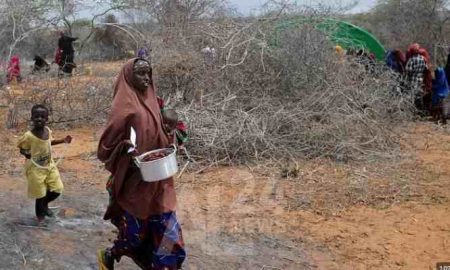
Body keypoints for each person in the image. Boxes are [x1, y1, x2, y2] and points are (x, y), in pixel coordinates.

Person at [97, 58, 186, 270]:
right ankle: (109, 255)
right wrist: (125, 150)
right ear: (128, 76)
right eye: (140, 73)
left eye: (148, 73)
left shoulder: (157, 101)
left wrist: (175, 137)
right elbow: (106, 148)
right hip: (134, 185)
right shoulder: (124, 108)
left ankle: (164, 266)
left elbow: (176, 126)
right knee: (134, 236)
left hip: (161, 181)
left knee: (168, 235)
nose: (146, 78)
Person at [17, 104, 72, 224]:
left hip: (49, 166)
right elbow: (22, 148)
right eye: (36, 116)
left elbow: (49, 142)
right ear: (32, 118)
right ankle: (40, 219)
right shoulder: (28, 136)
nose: (39, 119)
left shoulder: (47, 131)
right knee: (40, 196)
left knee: (57, 189)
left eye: (42, 116)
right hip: (35, 169)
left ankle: (45, 206)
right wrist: (26, 153)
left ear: (47, 119)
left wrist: (63, 140)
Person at [405, 44, 429, 113]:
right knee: (419, 97)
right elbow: (426, 68)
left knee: (411, 97)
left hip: (412, 81)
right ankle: (421, 112)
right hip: (420, 81)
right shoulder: (422, 58)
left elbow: (408, 71)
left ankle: (412, 112)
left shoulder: (411, 60)